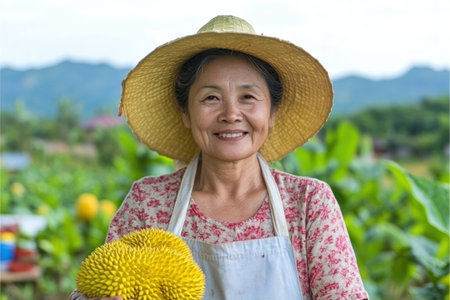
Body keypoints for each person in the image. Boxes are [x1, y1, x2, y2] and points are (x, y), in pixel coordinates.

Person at [70, 15, 369, 300]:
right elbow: (95, 286)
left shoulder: (307, 203)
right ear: (185, 113)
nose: (230, 114)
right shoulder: (149, 203)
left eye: (248, 97)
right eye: (211, 98)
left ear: (273, 112)